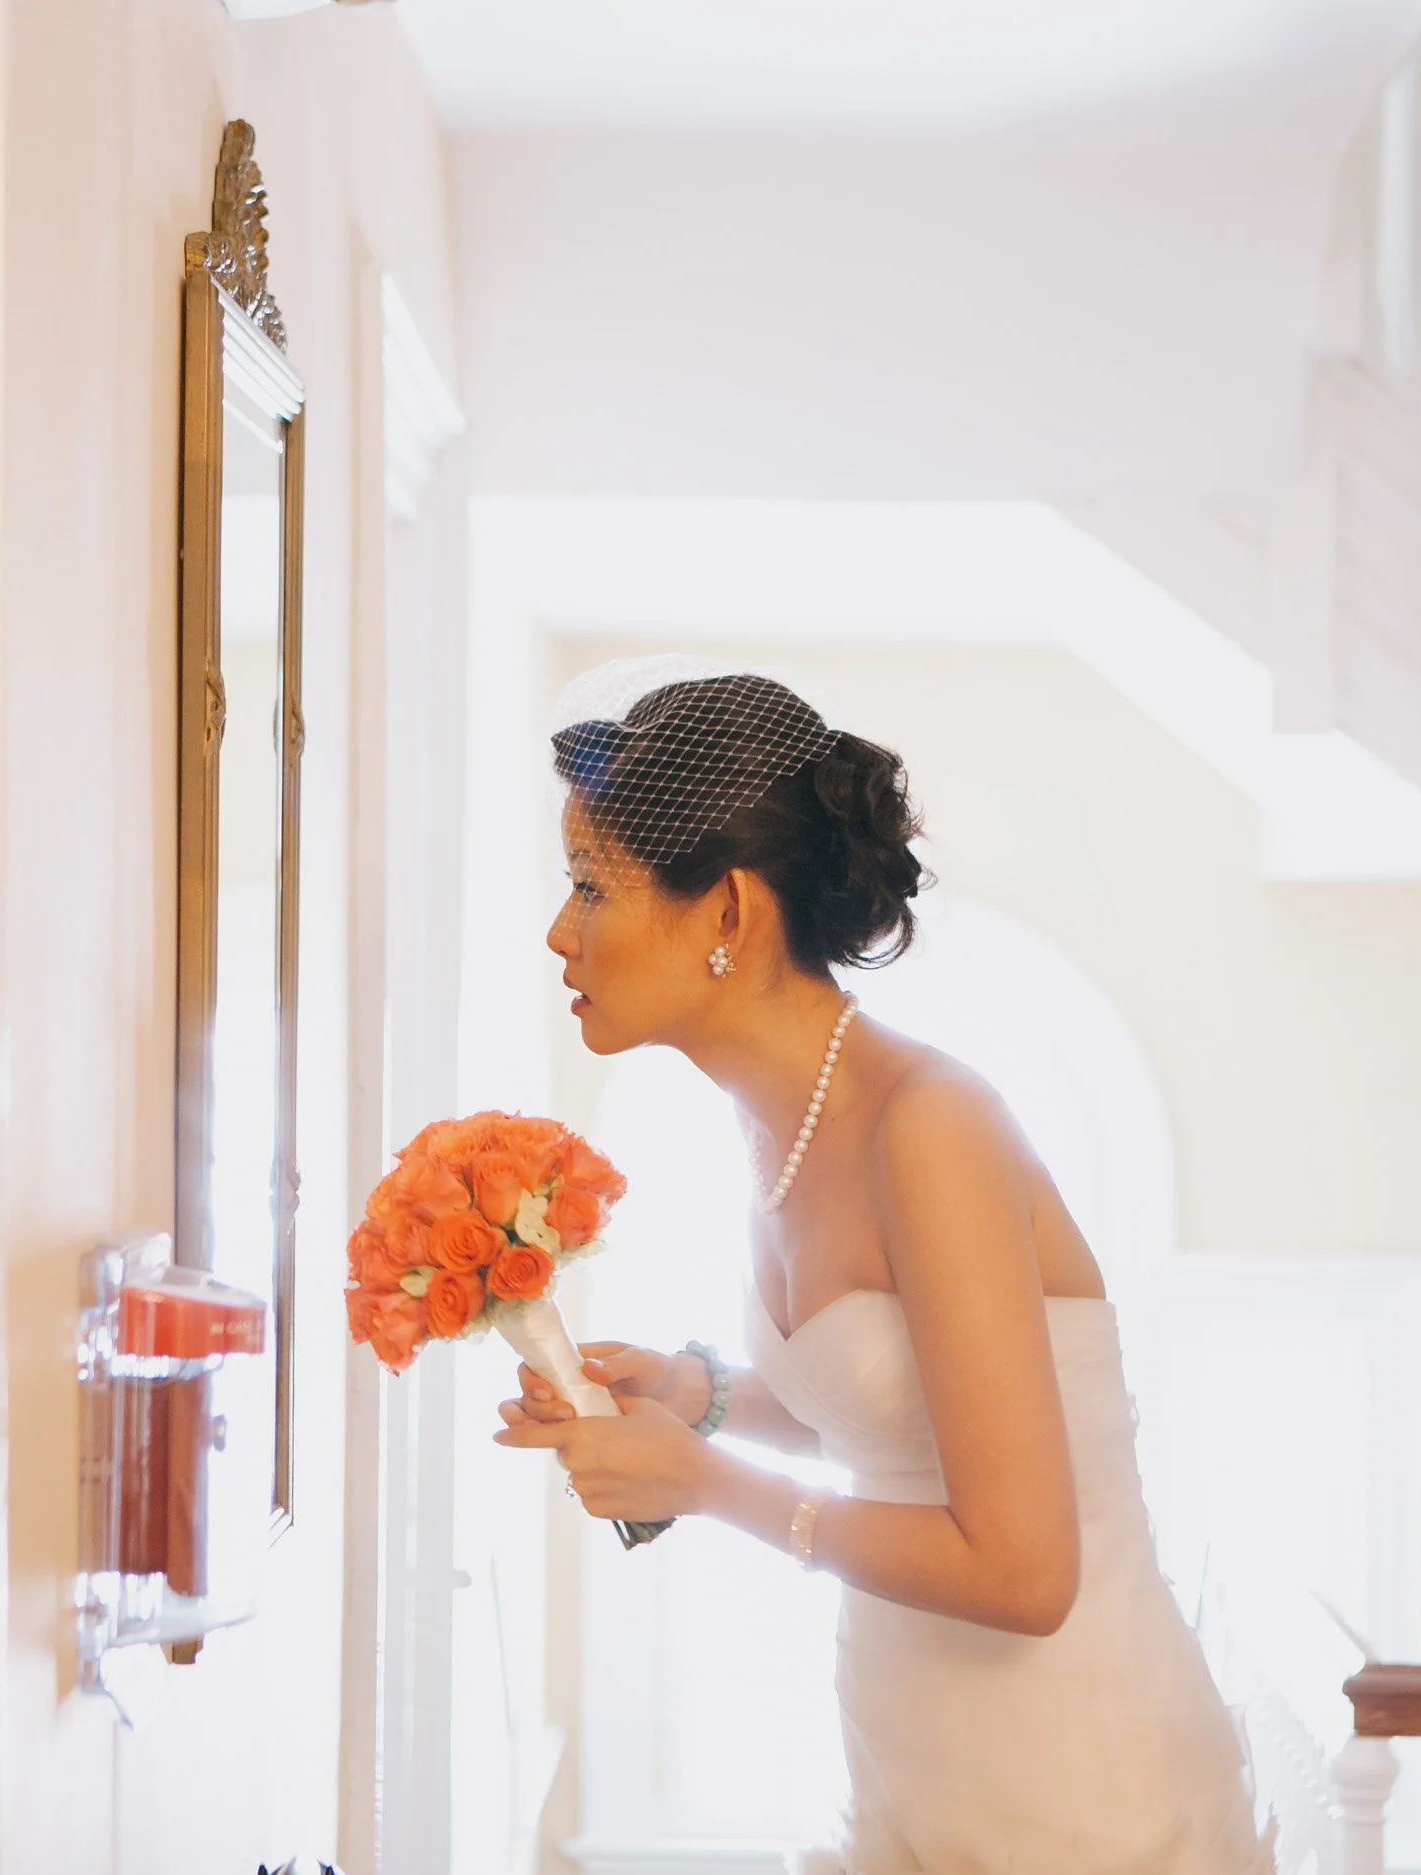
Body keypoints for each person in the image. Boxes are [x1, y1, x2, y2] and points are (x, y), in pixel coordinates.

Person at [494, 663, 1270, 1874]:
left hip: (1077, 1788)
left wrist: (706, 1481)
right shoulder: (773, 1121)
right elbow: (905, 1417)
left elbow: (1025, 1572)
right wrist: (700, 1394)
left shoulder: (930, 1127)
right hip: (914, 1761)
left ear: (728, 913)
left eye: (591, 886)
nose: (560, 930)